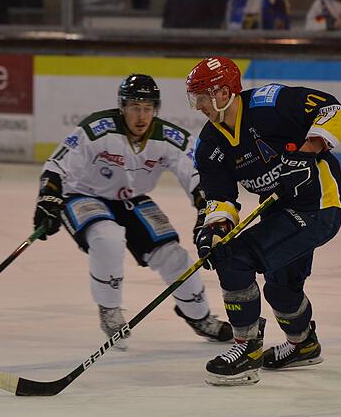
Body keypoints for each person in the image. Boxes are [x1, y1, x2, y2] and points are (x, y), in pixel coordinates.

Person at [32, 74, 233, 350]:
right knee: (108, 237)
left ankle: (200, 317)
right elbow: (57, 164)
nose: (141, 116)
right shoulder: (97, 128)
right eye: (135, 107)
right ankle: (110, 309)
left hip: (132, 199)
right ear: (122, 107)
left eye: (148, 108)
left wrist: (205, 208)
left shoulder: (168, 137)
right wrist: (48, 197)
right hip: (82, 194)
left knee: (175, 256)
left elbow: (196, 172)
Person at [186, 57, 341, 385]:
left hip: (318, 205)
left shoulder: (269, 103)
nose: (199, 105)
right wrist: (215, 229)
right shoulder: (209, 145)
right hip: (281, 209)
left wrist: (307, 151)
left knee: (236, 259)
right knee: (281, 288)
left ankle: (246, 349)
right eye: (196, 97)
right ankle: (303, 345)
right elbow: (220, 198)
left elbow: (335, 112)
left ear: (224, 93)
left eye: (204, 96)